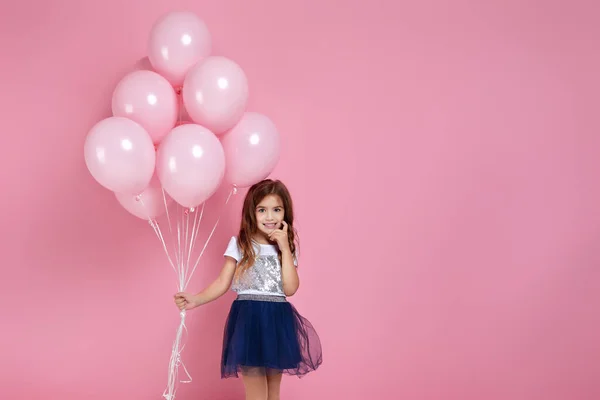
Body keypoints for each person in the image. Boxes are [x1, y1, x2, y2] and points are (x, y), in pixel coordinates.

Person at [174, 179, 322, 400]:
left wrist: (284, 247)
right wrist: (196, 299)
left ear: (285, 214)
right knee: (255, 390)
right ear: (252, 212)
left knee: (273, 391)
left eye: (276, 210)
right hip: (249, 319)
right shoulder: (241, 244)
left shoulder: (286, 247)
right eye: (262, 210)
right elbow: (223, 282)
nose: (270, 217)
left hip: (277, 320)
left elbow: (290, 289)